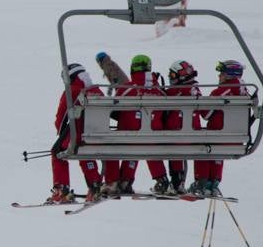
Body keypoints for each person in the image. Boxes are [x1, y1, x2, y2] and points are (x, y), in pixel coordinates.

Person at [102, 54, 167, 197]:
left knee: (118, 142)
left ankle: (116, 181)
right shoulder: (161, 91)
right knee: (146, 143)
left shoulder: (126, 89)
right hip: (154, 139)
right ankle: (161, 178)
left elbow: (114, 113)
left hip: (128, 138)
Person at [48, 63, 104, 203]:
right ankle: (95, 186)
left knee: (57, 151)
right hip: (100, 135)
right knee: (86, 152)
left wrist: (60, 134)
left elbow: (61, 118)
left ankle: (62, 190)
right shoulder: (97, 90)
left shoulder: (72, 90)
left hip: (78, 135)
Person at [192, 59, 247, 197]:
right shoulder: (245, 92)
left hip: (218, 135)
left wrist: (199, 104)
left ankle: (202, 182)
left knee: (202, 145)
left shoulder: (221, 92)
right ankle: (213, 182)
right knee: (216, 149)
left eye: (221, 73)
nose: (219, 76)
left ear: (229, 75)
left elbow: (206, 114)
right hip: (237, 138)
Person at [158, 59, 201, 195]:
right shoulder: (195, 90)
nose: (171, 79)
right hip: (193, 134)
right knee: (177, 148)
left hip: (175, 135)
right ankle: (181, 182)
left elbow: (161, 101)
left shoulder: (175, 92)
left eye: (172, 76)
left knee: (174, 149)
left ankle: (176, 181)